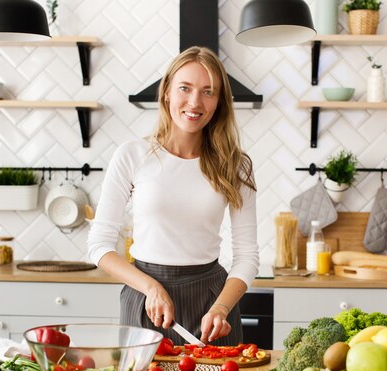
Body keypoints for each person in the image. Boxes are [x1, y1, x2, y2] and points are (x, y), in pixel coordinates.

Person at [87, 46, 259, 346]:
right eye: (185, 88)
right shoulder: (132, 155)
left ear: (219, 102)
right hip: (145, 302)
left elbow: (247, 256)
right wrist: (149, 287)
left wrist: (221, 307)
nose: (195, 102)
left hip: (212, 304)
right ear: (166, 92)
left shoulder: (236, 164)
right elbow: (99, 246)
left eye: (209, 92)